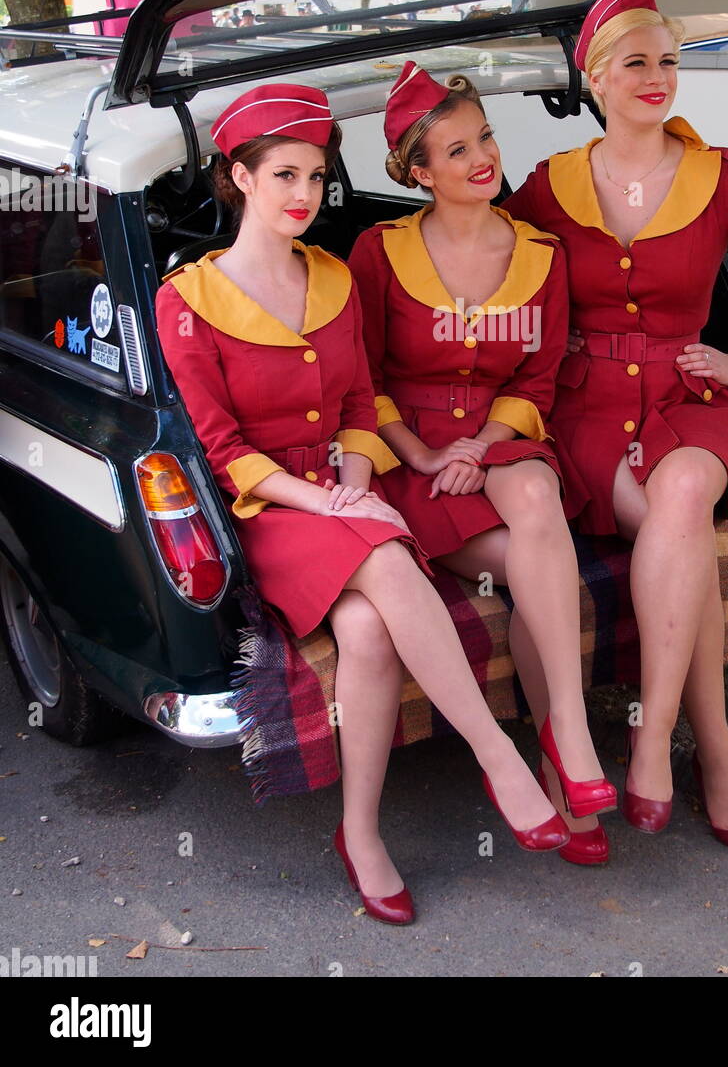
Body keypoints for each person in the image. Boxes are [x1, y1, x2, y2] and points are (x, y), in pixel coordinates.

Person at [155, 83, 569, 926]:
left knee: (370, 630)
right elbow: (225, 450)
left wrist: (352, 477)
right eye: (282, 176)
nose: (303, 194)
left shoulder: (336, 277)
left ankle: (361, 835)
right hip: (270, 509)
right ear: (239, 178)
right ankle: (500, 757)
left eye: (314, 175)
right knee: (383, 551)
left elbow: (356, 404)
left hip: (345, 483)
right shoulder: (187, 301)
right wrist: (331, 500)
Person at [503, 0, 728, 856]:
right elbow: (492, 278)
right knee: (685, 531)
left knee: (688, 489)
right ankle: (718, 755)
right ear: (597, 80)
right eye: (634, 64)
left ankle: (652, 738)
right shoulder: (546, 186)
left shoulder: (717, 175)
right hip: (584, 413)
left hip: (692, 404)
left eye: (667, 61)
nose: (655, 77)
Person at [347, 62, 617, 865]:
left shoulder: (541, 250)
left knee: (534, 492)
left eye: (486, 139)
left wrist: (485, 444)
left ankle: (564, 732)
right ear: (419, 173)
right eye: (456, 150)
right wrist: (430, 453)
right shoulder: (378, 249)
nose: (481, 159)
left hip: (500, 442)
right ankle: (557, 760)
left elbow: (536, 381)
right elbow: (362, 383)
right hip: (415, 460)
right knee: (538, 572)